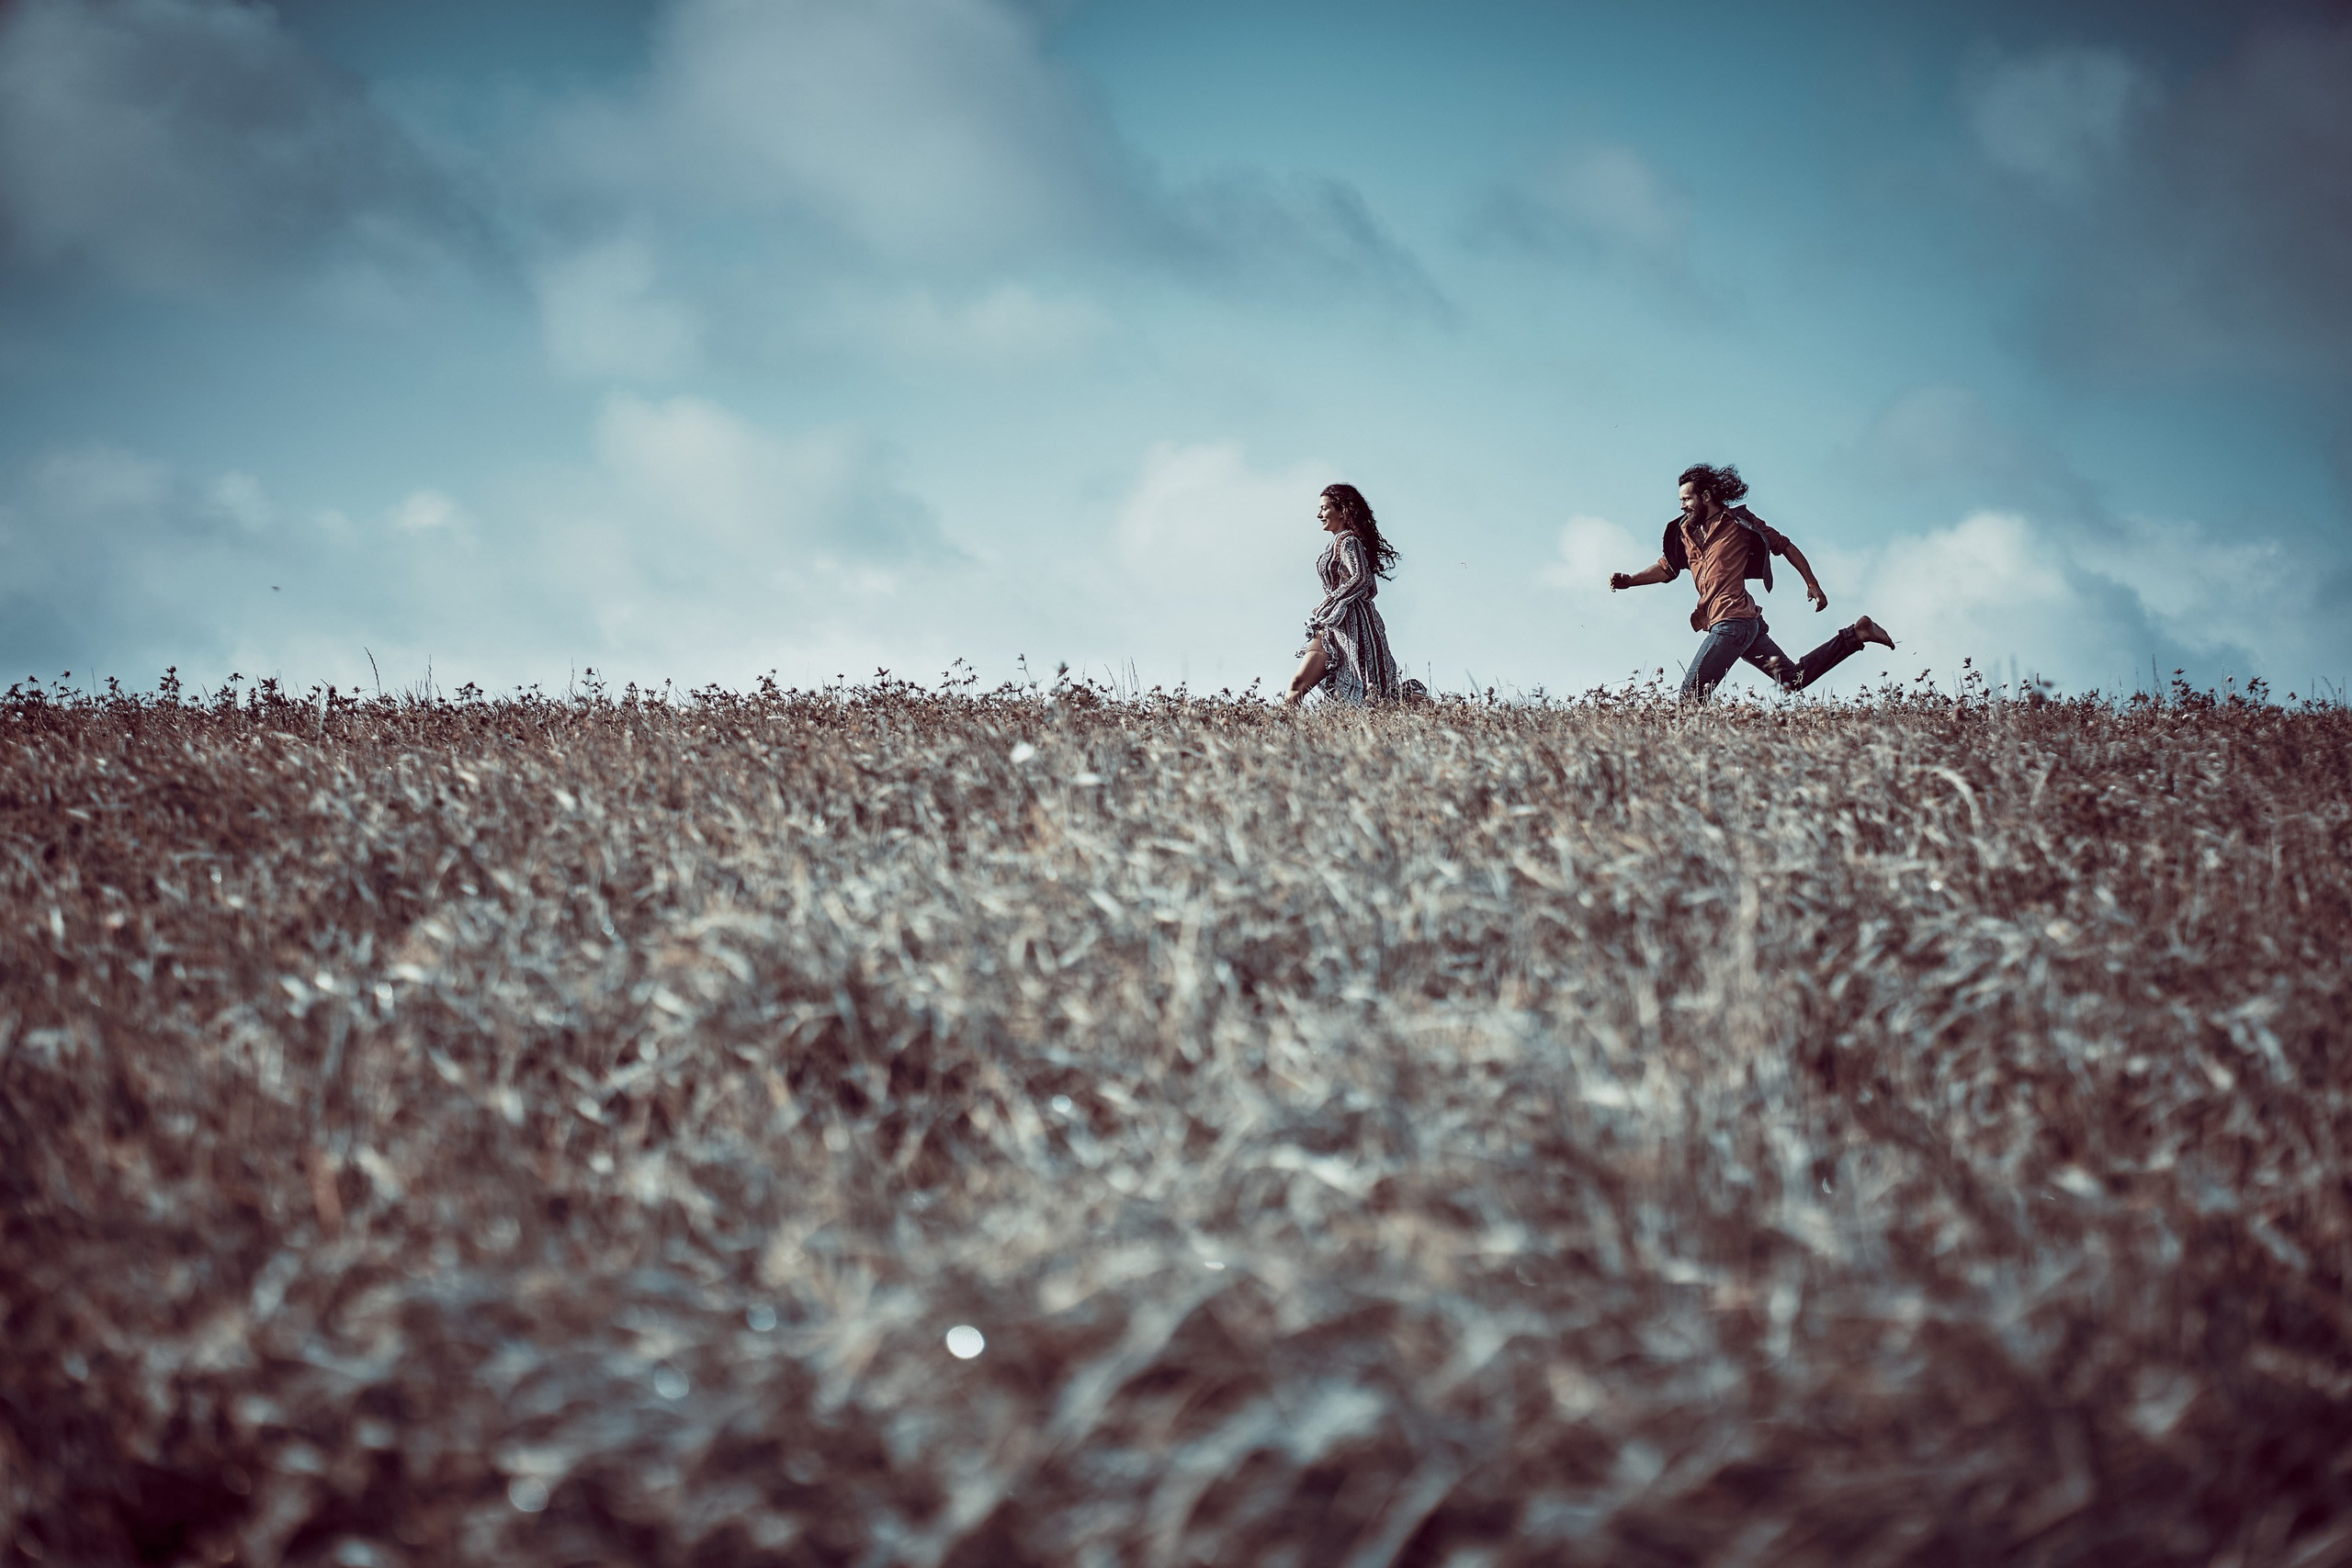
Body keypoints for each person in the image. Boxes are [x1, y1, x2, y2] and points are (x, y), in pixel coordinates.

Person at [1609, 464, 1894, 700]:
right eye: (1681, 501)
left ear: (1705, 496)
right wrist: (1630, 581)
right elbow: (1667, 568)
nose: (1683, 506)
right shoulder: (1685, 532)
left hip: (1732, 622)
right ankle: (1856, 634)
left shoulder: (1739, 523)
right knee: (1793, 678)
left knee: (1690, 698)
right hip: (1743, 625)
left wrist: (1812, 583)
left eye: (1687, 499)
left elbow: (1784, 546)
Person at [1286, 483, 1406, 706]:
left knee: (1370, 695)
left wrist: (1331, 602)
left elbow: (1363, 579)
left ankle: (1419, 705)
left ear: (1342, 511)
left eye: (1324, 508)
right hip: (1332, 627)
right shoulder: (1336, 543)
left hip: (1355, 628)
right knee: (1297, 684)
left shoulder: (1349, 541)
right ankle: (1284, 728)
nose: (1319, 515)